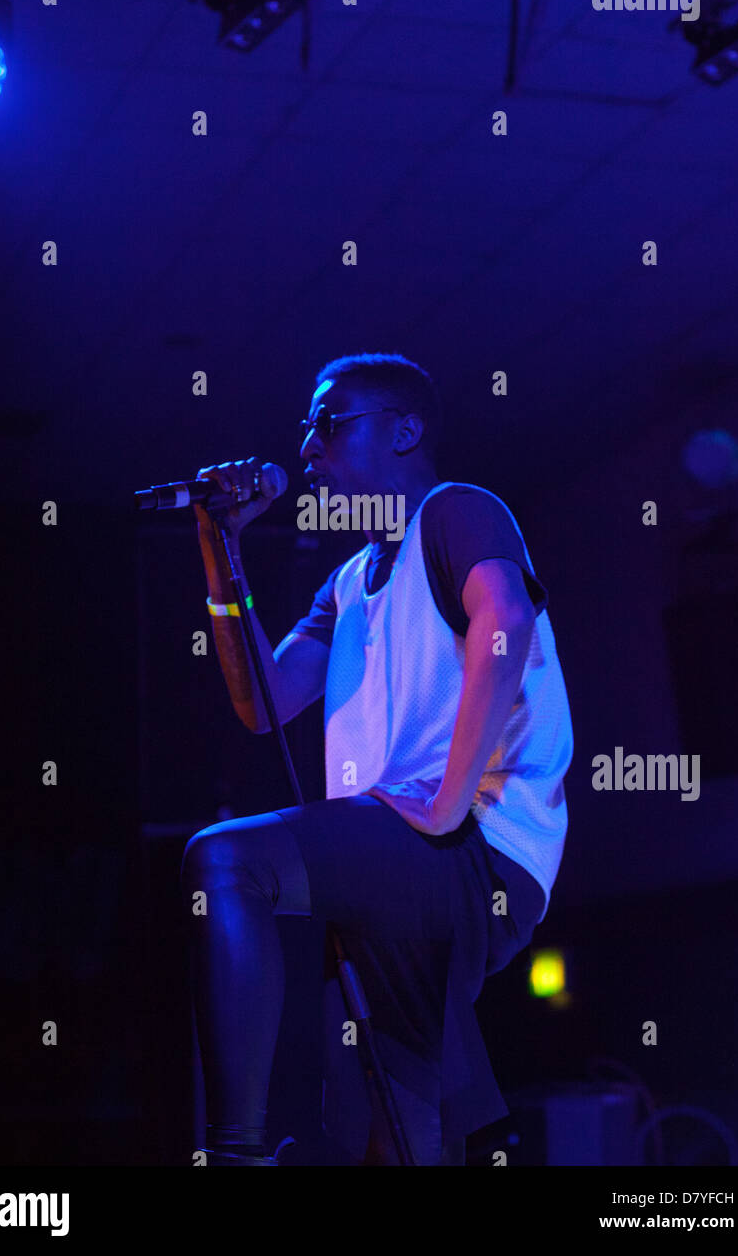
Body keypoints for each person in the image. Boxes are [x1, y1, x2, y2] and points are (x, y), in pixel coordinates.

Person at [181, 352, 573, 1166]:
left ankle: (234, 1153)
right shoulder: (350, 581)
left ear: (405, 429)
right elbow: (262, 703)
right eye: (305, 433)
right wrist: (220, 543)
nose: (308, 451)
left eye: (330, 425)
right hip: (395, 866)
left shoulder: (457, 513)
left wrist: (446, 801)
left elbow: (505, 624)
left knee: (227, 859)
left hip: (473, 850)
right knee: (385, 1126)